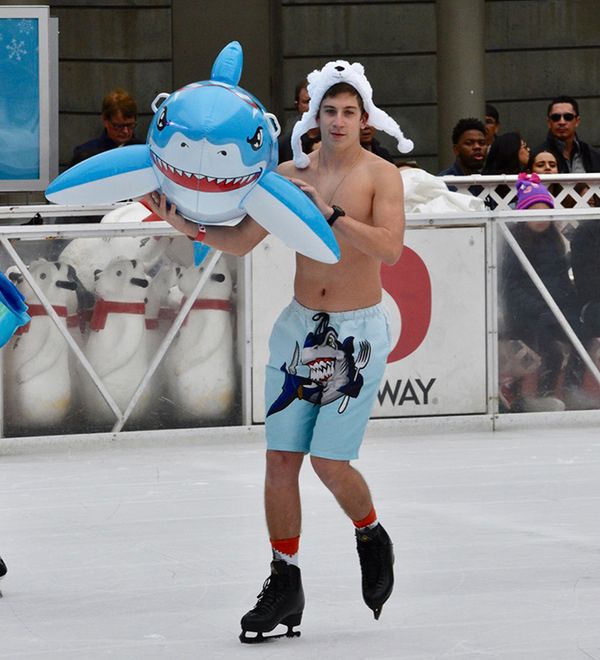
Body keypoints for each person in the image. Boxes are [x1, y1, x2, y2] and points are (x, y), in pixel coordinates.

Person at [145, 58, 413, 642]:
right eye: (329, 110)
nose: (338, 120)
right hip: (299, 330)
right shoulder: (287, 172)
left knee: (328, 463)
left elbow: (391, 249)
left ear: (364, 119)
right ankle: (284, 578)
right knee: (281, 459)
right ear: (312, 115)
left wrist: (332, 213)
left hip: (355, 335)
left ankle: (371, 532)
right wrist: (186, 226)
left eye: (349, 112)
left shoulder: (380, 176)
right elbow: (242, 240)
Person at [500, 172, 584, 411]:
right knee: (550, 349)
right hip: (525, 315)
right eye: (534, 212)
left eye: (545, 212)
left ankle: (571, 388)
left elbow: (560, 280)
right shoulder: (514, 244)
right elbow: (511, 286)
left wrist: (570, 305)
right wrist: (539, 309)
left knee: (580, 334)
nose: (541, 218)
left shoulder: (554, 242)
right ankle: (532, 395)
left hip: (555, 309)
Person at [70, 88, 145, 166]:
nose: (125, 131)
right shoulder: (85, 156)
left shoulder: (145, 153)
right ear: (105, 121)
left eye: (130, 125)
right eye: (118, 126)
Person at [533, 95, 600, 173]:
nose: (562, 122)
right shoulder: (537, 155)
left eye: (568, 117)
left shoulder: (593, 155)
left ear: (577, 121)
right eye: (556, 117)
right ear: (549, 122)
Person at [481, 132, 530, 208]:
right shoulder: (489, 186)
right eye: (525, 146)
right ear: (512, 150)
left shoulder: (527, 179)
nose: (529, 150)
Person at [278, 79, 320, 163]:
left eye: (316, 101)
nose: (312, 107)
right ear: (297, 105)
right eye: (307, 101)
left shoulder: (338, 138)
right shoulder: (284, 145)